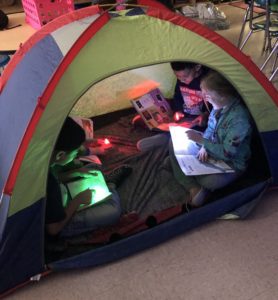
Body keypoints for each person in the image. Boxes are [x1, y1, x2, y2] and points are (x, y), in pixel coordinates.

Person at [170, 71, 253, 207]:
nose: (205, 98)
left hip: (231, 164)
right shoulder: (217, 108)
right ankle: (193, 187)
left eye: (207, 95)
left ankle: (185, 175)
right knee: (174, 140)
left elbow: (228, 153)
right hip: (211, 149)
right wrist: (203, 147)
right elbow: (210, 129)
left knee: (210, 182)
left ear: (223, 95)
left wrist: (202, 142)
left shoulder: (239, 119)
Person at [45, 118, 131, 237]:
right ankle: (110, 185)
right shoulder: (49, 184)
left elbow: (54, 178)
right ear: (60, 155)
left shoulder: (46, 163)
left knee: (94, 168)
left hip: (61, 194)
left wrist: (76, 173)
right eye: (75, 153)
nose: (77, 155)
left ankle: (106, 183)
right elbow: (53, 229)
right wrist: (78, 201)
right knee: (114, 211)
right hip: (59, 223)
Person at [136, 62, 210, 152]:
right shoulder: (181, 80)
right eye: (177, 76)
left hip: (199, 121)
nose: (181, 80)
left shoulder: (208, 81)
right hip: (185, 118)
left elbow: (215, 107)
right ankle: (168, 136)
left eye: (185, 77)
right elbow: (178, 96)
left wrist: (205, 114)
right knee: (168, 124)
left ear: (197, 67)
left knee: (190, 132)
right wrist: (179, 110)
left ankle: (167, 140)